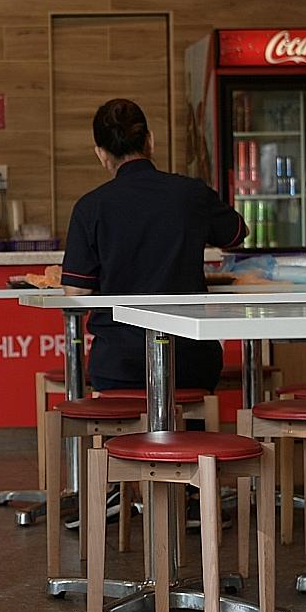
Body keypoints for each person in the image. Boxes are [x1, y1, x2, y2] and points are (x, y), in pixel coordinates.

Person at [59, 98, 246, 393]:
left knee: (120, 429)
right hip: (191, 359)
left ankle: (122, 441)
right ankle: (191, 439)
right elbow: (236, 234)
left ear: (101, 154)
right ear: (150, 141)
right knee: (191, 429)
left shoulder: (90, 207)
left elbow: (76, 293)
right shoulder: (191, 193)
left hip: (120, 362)